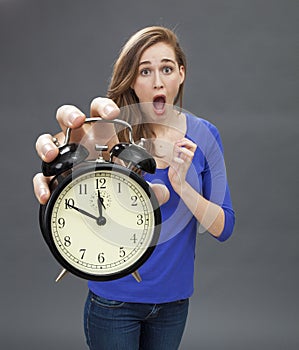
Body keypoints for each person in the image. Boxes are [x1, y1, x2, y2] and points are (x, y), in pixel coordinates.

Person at [33, 26, 235, 350]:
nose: (158, 81)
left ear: (181, 74)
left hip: (173, 304)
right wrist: (56, 165)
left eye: (166, 68)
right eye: (145, 71)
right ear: (132, 80)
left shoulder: (205, 135)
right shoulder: (109, 134)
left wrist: (182, 185)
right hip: (114, 302)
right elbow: (72, 187)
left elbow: (224, 227)